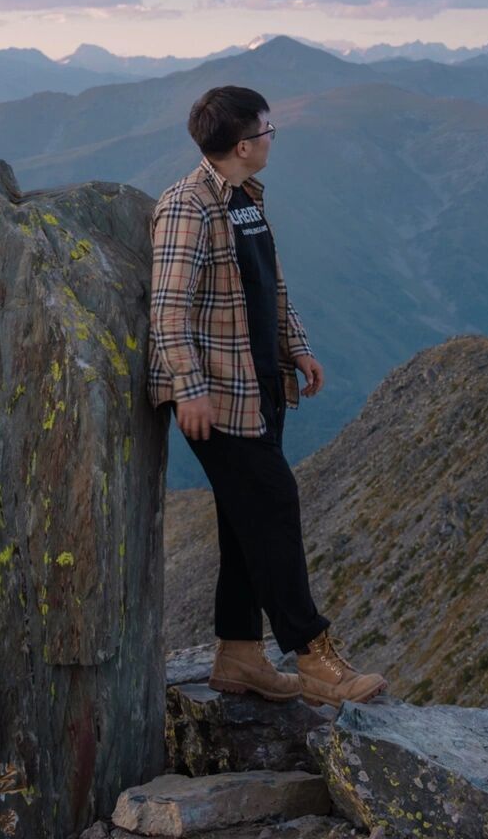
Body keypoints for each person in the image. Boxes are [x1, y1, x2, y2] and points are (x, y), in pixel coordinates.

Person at [146, 85, 387, 707]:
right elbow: (167, 312)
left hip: (259, 385)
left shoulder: (246, 201)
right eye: (268, 130)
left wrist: (296, 346)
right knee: (275, 506)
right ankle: (314, 656)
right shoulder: (188, 207)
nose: (273, 138)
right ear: (245, 144)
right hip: (217, 397)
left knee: (244, 519)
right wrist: (189, 391)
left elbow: (267, 288)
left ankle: (239, 654)